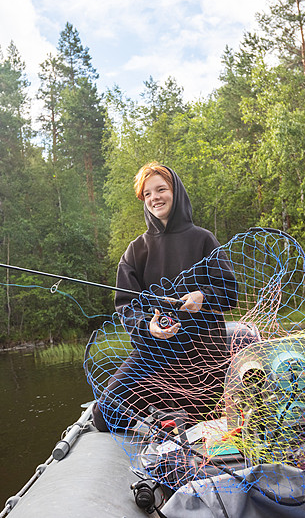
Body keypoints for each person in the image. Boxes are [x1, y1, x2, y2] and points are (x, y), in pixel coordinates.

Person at [91, 162, 237, 433]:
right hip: (155, 350)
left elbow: (230, 292)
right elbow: (126, 306)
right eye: (147, 194)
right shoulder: (135, 250)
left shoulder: (204, 239)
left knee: (207, 424)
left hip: (203, 349)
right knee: (105, 416)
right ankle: (153, 405)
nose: (154, 197)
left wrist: (204, 296)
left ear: (176, 192)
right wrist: (149, 326)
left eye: (161, 189)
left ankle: (175, 409)